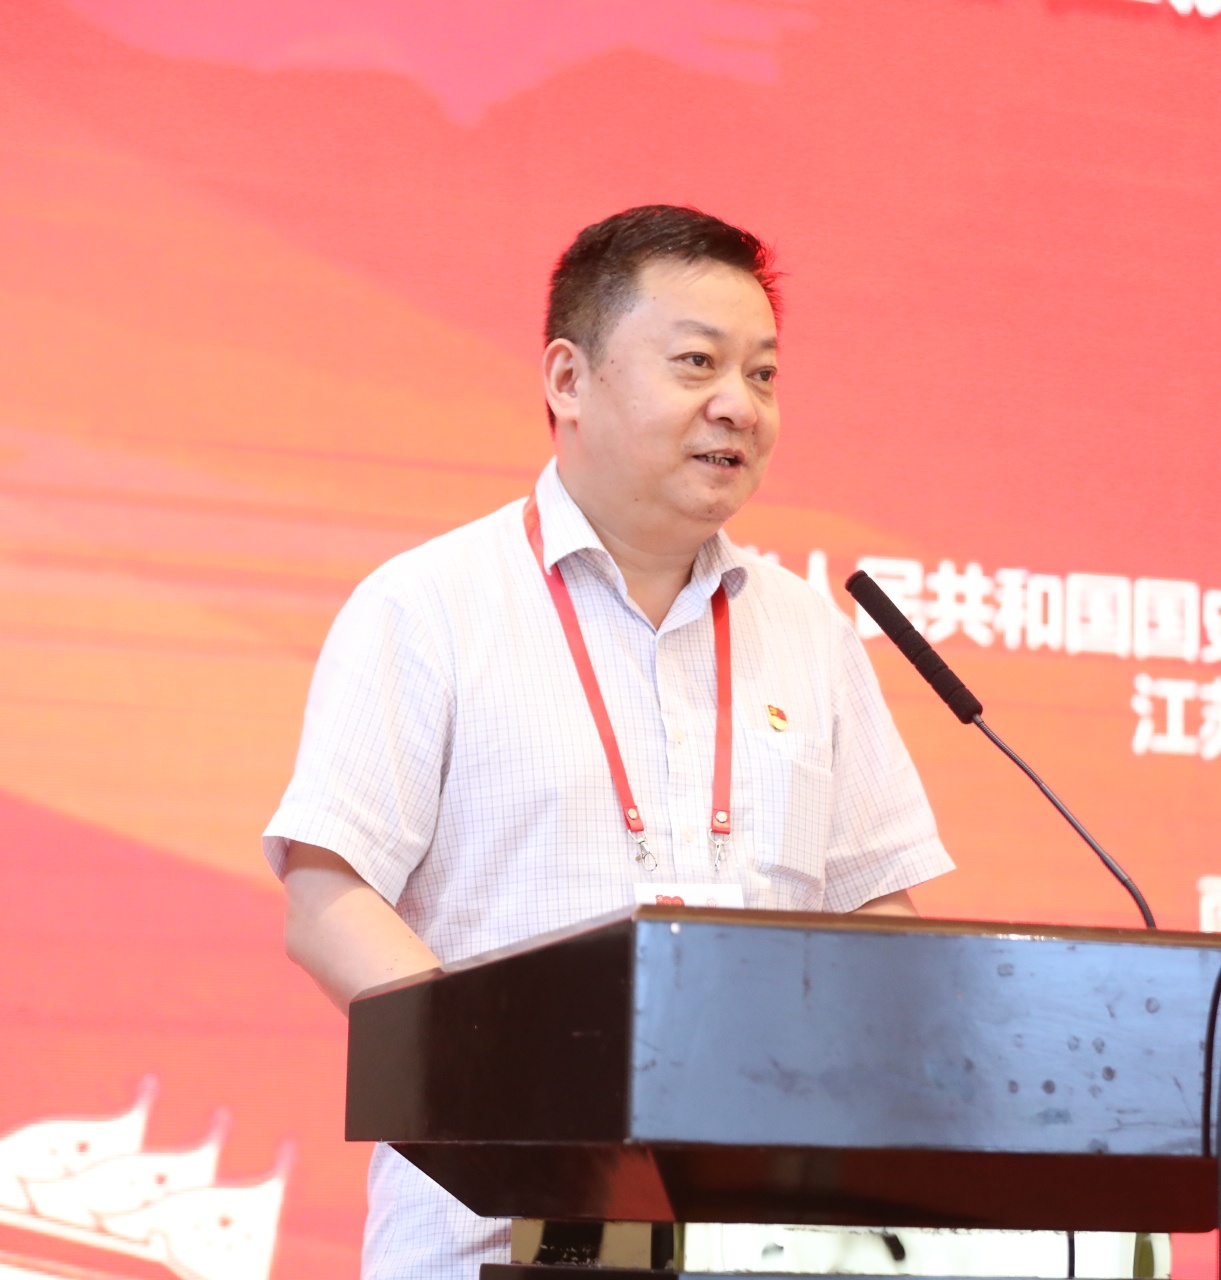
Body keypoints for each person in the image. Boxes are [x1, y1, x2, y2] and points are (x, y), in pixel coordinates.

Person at [265, 204, 954, 1280]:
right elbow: (328, 898)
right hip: (491, 1233)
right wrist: (514, 1092)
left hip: (765, 1240)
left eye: (764, 374)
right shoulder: (430, 606)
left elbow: (876, 916)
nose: (739, 405)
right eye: (697, 363)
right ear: (568, 379)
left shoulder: (809, 635)